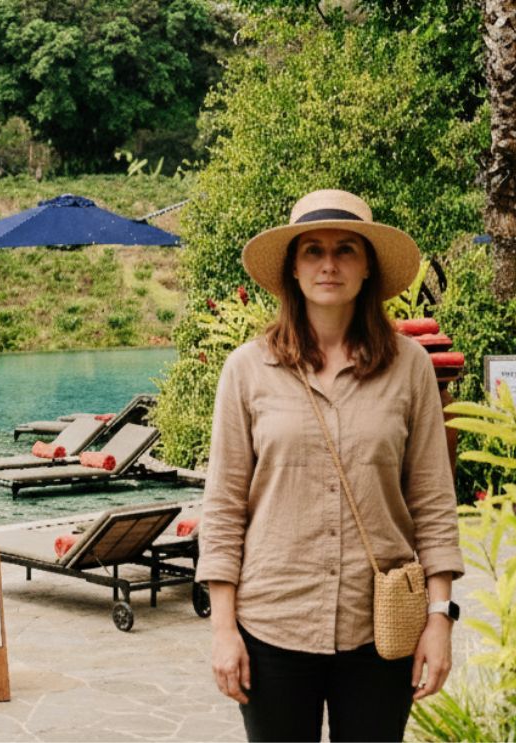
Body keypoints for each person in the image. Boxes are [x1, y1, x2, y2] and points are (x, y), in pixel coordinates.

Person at [195, 189, 464, 742]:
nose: (329, 264)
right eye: (313, 251)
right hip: (272, 625)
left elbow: (434, 503)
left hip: (380, 632)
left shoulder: (409, 367)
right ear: (293, 269)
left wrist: (440, 620)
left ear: (368, 268)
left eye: (345, 250)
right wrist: (223, 631)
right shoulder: (246, 371)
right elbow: (222, 509)